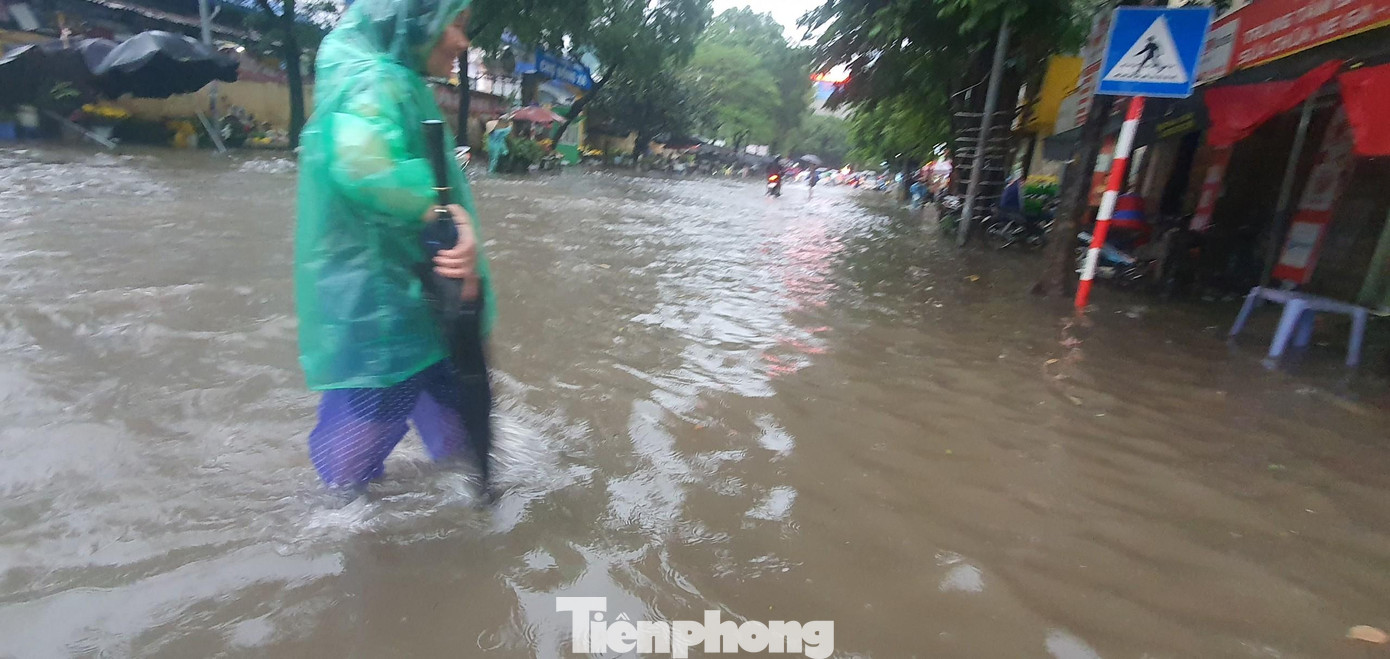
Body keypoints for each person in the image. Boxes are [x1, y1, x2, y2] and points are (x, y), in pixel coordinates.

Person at [294, 0, 495, 497]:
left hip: (418, 304)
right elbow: (362, 166)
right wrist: (442, 212)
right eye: (454, 23)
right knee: (347, 488)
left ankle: (475, 518)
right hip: (385, 317)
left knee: (465, 448)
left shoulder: (390, 79)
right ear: (413, 17)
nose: (462, 42)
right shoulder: (375, 81)